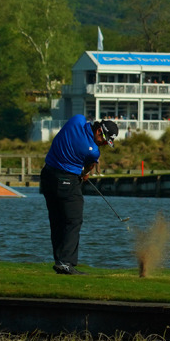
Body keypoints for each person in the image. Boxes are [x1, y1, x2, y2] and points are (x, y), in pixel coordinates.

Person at [40, 116, 118, 275]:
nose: (103, 144)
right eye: (104, 139)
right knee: (73, 220)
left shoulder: (76, 120)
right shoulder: (93, 151)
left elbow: (80, 122)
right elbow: (87, 169)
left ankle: (60, 261)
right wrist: (85, 174)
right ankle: (66, 262)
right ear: (98, 131)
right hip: (66, 180)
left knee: (56, 220)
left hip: (47, 176)